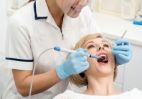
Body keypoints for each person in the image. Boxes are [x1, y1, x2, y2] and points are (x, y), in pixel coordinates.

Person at [2, 0, 131, 99]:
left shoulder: (83, 13)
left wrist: (111, 58)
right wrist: (62, 71)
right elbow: (23, 87)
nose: (83, 3)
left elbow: (97, 45)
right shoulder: (21, 23)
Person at [53, 33, 142, 99]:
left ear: (115, 63)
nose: (101, 47)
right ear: (80, 65)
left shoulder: (140, 96)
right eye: (91, 46)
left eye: (106, 45)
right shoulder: (66, 98)